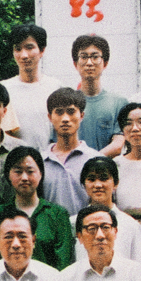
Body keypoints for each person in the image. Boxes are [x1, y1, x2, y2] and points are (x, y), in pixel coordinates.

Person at [0, 146, 74, 270]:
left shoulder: (58, 214)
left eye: (30, 171)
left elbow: (63, 264)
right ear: (8, 175)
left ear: (41, 174)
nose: (24, 178)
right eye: (18, 171)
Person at [72, 157, 141, 266]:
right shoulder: (73, 223)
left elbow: (140, 265)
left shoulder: (131, 225)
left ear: (116, 183)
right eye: (91, 179)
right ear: (84, 184)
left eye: (104, 179)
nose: (98, 185)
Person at [41, 87, 102, 215]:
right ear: (50, 117)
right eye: (59, 112)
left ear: (81, 115)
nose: (65, 118)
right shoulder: (40, 161)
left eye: (71, 112)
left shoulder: (96, 159)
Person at [2, 23, 62, 151]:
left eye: (29, 48)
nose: (24, 55)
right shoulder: (4, 89)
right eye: (18, 49)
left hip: (49, 159)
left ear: (42, 50)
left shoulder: (55, 87)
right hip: (15, 159)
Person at [69, 34, 126, 157]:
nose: (89, 63)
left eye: (95, 57)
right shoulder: (67, 103)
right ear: (75, 64)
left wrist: (91, 162)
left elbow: (118, 145)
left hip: (106, 167)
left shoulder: (119, 103)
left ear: (105, 63)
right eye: (83, 57)